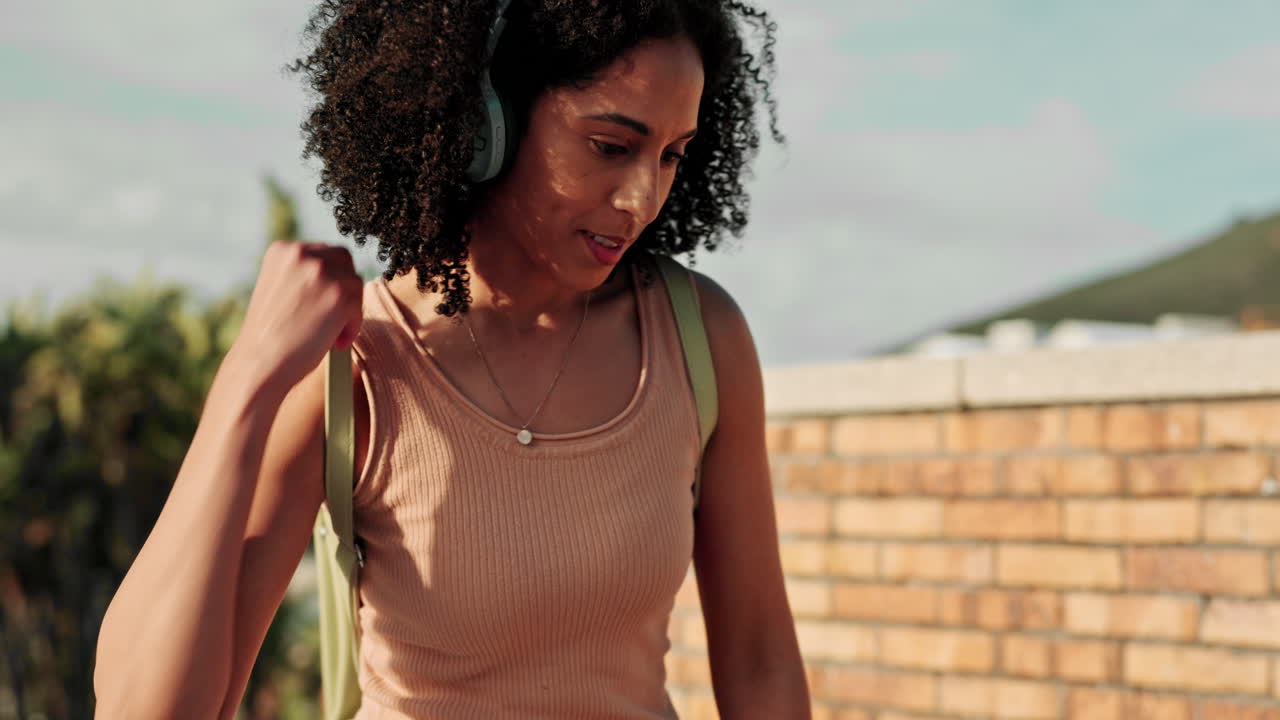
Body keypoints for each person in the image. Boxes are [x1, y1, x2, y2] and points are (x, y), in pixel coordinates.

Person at [93, 0, 809, 717]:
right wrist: (246, 381)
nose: (641, 197)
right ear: (484, 121)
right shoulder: (355, 365)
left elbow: (760, 663)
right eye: (610, 147)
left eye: (672, 154)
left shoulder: (699, 339)